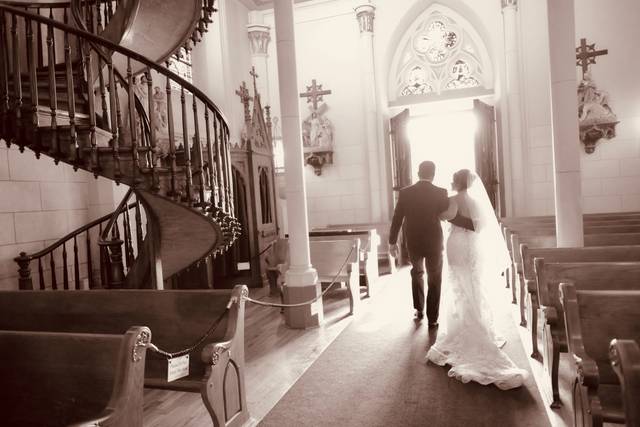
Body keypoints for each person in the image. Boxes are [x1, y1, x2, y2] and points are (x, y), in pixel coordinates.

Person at [425, 169, 528, 390]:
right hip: (473, 247)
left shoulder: (452, 200)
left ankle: (464, 326)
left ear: (456, 182)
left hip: (456, 246)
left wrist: (442, 212)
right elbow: (481, 226)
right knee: (473, 285)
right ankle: (478, 322)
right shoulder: (477, 202)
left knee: (458, 286)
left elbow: (446, 216)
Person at [388, 160, 449, 326]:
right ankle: (433, 318)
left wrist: (392, 242)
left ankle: (419, 309)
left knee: (417, 273)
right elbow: (446, 216)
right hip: (434, 241)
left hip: (413, 240)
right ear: (433, 174)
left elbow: (397, 218)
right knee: (435, 277)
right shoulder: (441, 192)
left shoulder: (406, 193)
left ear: (418, 173)